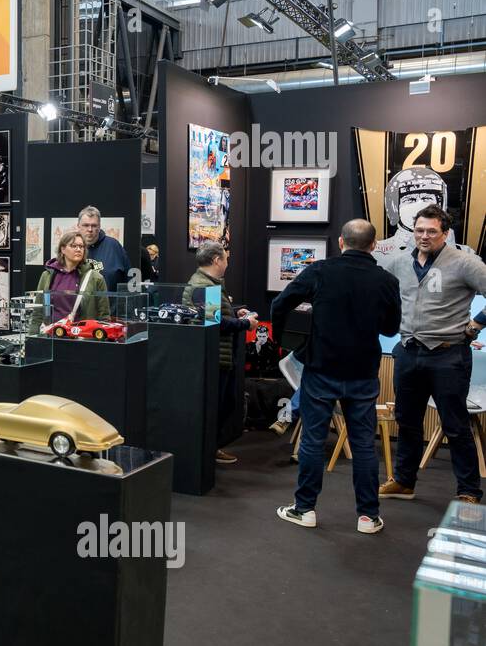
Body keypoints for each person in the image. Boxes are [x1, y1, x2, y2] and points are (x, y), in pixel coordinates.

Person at [271, 220, 402, 533]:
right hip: (363, 372)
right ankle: (368, 517)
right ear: (373, 246)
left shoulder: (321, 271)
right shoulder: (386, 280)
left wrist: (282, 340)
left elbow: (280, 303)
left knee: (314, 441)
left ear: (341, 243)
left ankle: (305, 509)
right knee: (364, 446)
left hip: (322, 369)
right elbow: (390, 328)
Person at [381, 205, 486, 504]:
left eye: (431, 231)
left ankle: (468, 490)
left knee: (455, 425)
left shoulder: (465, 263)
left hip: (448, 355)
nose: (424, 236)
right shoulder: (400, 263)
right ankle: (404, 482)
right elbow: (381, 293)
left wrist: (477, 324)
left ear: (445, 233)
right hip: (408, 352)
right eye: (419, 230)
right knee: (408, 421)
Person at [185, 240, 257, 464]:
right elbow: (215, 323)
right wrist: (246, 324)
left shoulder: (208, 283)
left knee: (222, 406)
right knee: (216, 408)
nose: (227, 262)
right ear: (217, 260)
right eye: (225, 258)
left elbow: (215, 315)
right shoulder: (203, 285)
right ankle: (207, 454)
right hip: (213, 357)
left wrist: (236, 312)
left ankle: (211, 450)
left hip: (219, 356)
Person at [36, 231, 110, 324]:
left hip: (82, 335)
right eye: (73, 246)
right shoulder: (47, 275)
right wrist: (33, 336)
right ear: (63, 249)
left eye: (81, 246)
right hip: (52, 334)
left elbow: (104, 315)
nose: (78, 249)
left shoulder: (96, 278)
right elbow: (37, 312)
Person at [78, 206, 131, 292]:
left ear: (99, 227)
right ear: (78, 226)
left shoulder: (114, 246)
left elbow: (129, 279)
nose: (90, 229)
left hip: (110, 304)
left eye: (94, 225)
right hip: (79, 304)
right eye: (86, 225)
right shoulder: (72, 247)